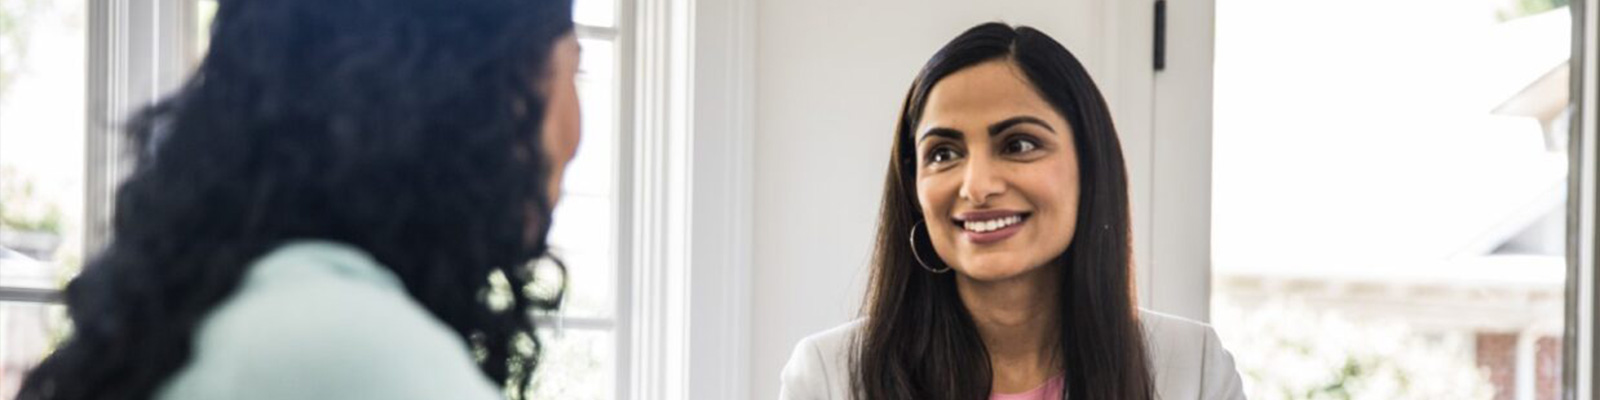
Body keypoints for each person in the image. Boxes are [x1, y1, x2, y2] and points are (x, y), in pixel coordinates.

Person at [18, 0, 582, 399]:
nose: (576, 133)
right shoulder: (354, 353)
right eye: (570, 69)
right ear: (483, 90)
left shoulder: (224, 308)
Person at [779, 22, 1246, 400]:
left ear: (1090, 166)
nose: (977, 186)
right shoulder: (828, 379)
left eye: (1019, 144)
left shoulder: (1195, 369)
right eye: (943, 153)